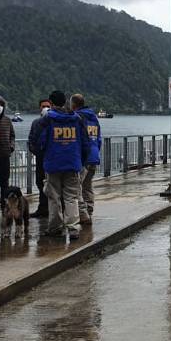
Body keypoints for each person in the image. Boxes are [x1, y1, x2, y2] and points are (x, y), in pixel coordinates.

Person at [29, 90, 90, 239]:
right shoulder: (77, 119)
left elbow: (36, 142)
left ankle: (55, 226)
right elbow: (85, 143)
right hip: (72, 163)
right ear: (65, 102)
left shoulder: (46, 120)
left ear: (51, 102)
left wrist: (42, 156)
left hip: (52, 164)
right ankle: (73, 228)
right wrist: (81, 161)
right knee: (72, 197)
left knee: (54, 197)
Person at [70, 93, 101, 225]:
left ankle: (83, 214)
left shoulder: (78, 117)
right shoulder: (94, 118)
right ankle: (89, 209)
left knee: (76, 187)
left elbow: (78, 139)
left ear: (74, 104)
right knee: (87, 186)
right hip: (94, 155)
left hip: (84, 157)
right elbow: (99, 138)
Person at [28, 98, 53, 217]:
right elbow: (31, 139)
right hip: (40, 158)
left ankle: (55, 210)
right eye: (43, 106)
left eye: (47, 106)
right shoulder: (35, 123)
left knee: (54, 184)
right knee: (40, 182)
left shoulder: (55, 121)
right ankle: (42, 208)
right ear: (40, 108)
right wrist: (35, 151)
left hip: (53, 159)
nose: (45, 108)